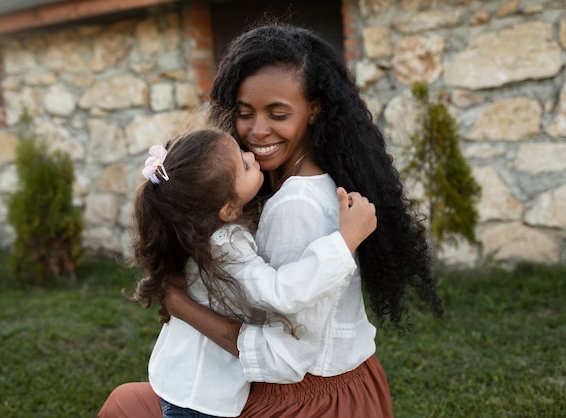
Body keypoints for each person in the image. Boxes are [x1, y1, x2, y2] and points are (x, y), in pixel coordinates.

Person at [99, 22, 443, 417]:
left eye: (278, 113)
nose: (257, 133)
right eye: (245, 113)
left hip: (307, 401)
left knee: (126, 407)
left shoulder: (295, 205)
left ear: (315, 107)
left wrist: (179, 302)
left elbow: (286, 356)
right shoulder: (272, 184)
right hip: (336, 386)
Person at [109, 127, 377, 418]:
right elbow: (280, 292)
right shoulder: (224, 247)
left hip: (182, 381)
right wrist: (344, 242)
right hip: (200, 400)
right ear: (226, 208)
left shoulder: (200, 230)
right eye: (245, 164)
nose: (252, 154)